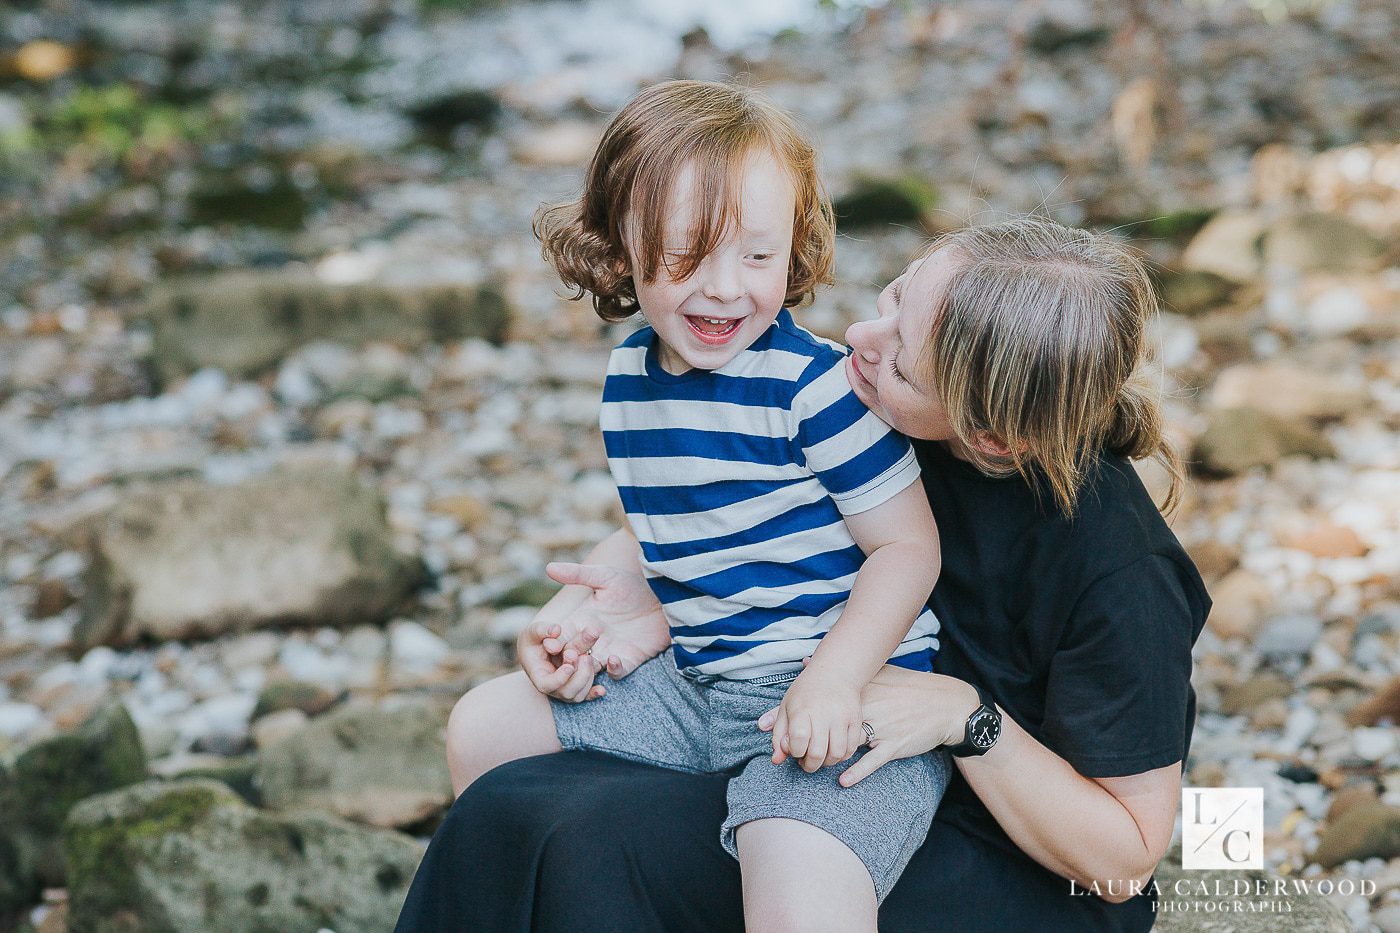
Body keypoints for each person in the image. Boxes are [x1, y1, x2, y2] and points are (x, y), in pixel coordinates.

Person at [395, 218, 1210, 932]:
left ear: (993, 435)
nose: (860, 334)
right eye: (891, 299)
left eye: (899, 359)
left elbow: (1126, 857)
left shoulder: (1121, 573)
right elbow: (735, 505)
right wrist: (600, 599)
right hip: (800, 730)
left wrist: (968, 719)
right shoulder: (874, 406)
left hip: (1003, 863)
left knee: (585, 835)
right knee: (510, 783)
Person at [436, 80, 949, 930]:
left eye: (757, 256)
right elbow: (694, 538)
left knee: (802, 883)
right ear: (617, 243)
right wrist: (607, 625)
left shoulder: (814, 388)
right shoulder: (629, 381)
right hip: (698, 686)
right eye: (683, 254)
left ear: (796, 246)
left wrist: (833, 681)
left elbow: (909, 551)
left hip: (844, 694)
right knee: (486, 725)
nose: (722, 289)